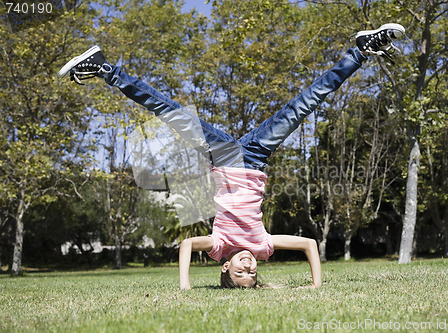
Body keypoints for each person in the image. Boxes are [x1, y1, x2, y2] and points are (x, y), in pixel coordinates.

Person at [58, 23, 405, 290]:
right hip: (257, 157)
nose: (249, 266)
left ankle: (103, 68)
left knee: (168, 110)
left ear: (225, 266)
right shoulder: (264, 246)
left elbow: (185, 246)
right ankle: (362, 50)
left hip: (224, 156)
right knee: (306, 102)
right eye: (252, 273)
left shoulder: (218, 245)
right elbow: (310, 245)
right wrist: (315, 285)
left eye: (241, 271)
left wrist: (185, 287)